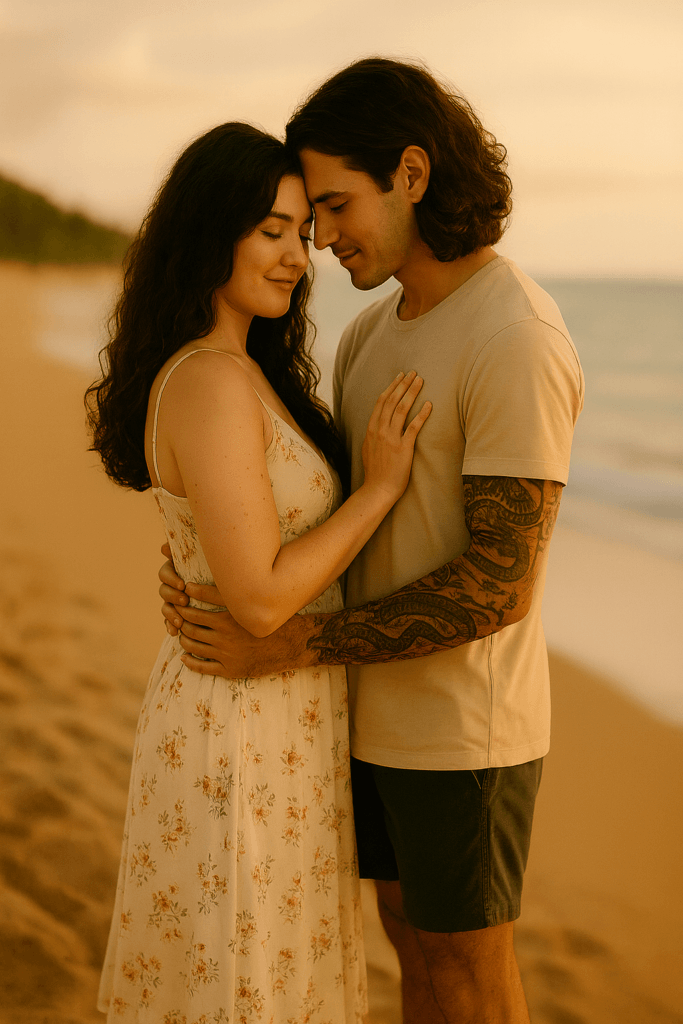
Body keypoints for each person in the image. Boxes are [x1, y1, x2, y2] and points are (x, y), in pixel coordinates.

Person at [158, 60, 585, 1024]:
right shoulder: (370, 337)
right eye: (309, 219)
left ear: (413, 174)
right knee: (413, 965)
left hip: (464, 733)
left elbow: (495, 586)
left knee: (469, 976)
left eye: (337, 207)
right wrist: (204, 565)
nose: (323, 241)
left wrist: (295, 642)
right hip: (366, 721)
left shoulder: (513, 334)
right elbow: (330, 519)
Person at [86, 121, 432, 1023]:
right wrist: (382, 488)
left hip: (273, 710)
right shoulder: (208, 379)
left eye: (300, 231)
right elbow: (259, 596)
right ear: (212, 232)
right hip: (237, 721)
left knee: (268, 965)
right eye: (270, 230)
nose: (297, 255)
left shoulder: (241, 370)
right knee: (243, 974)